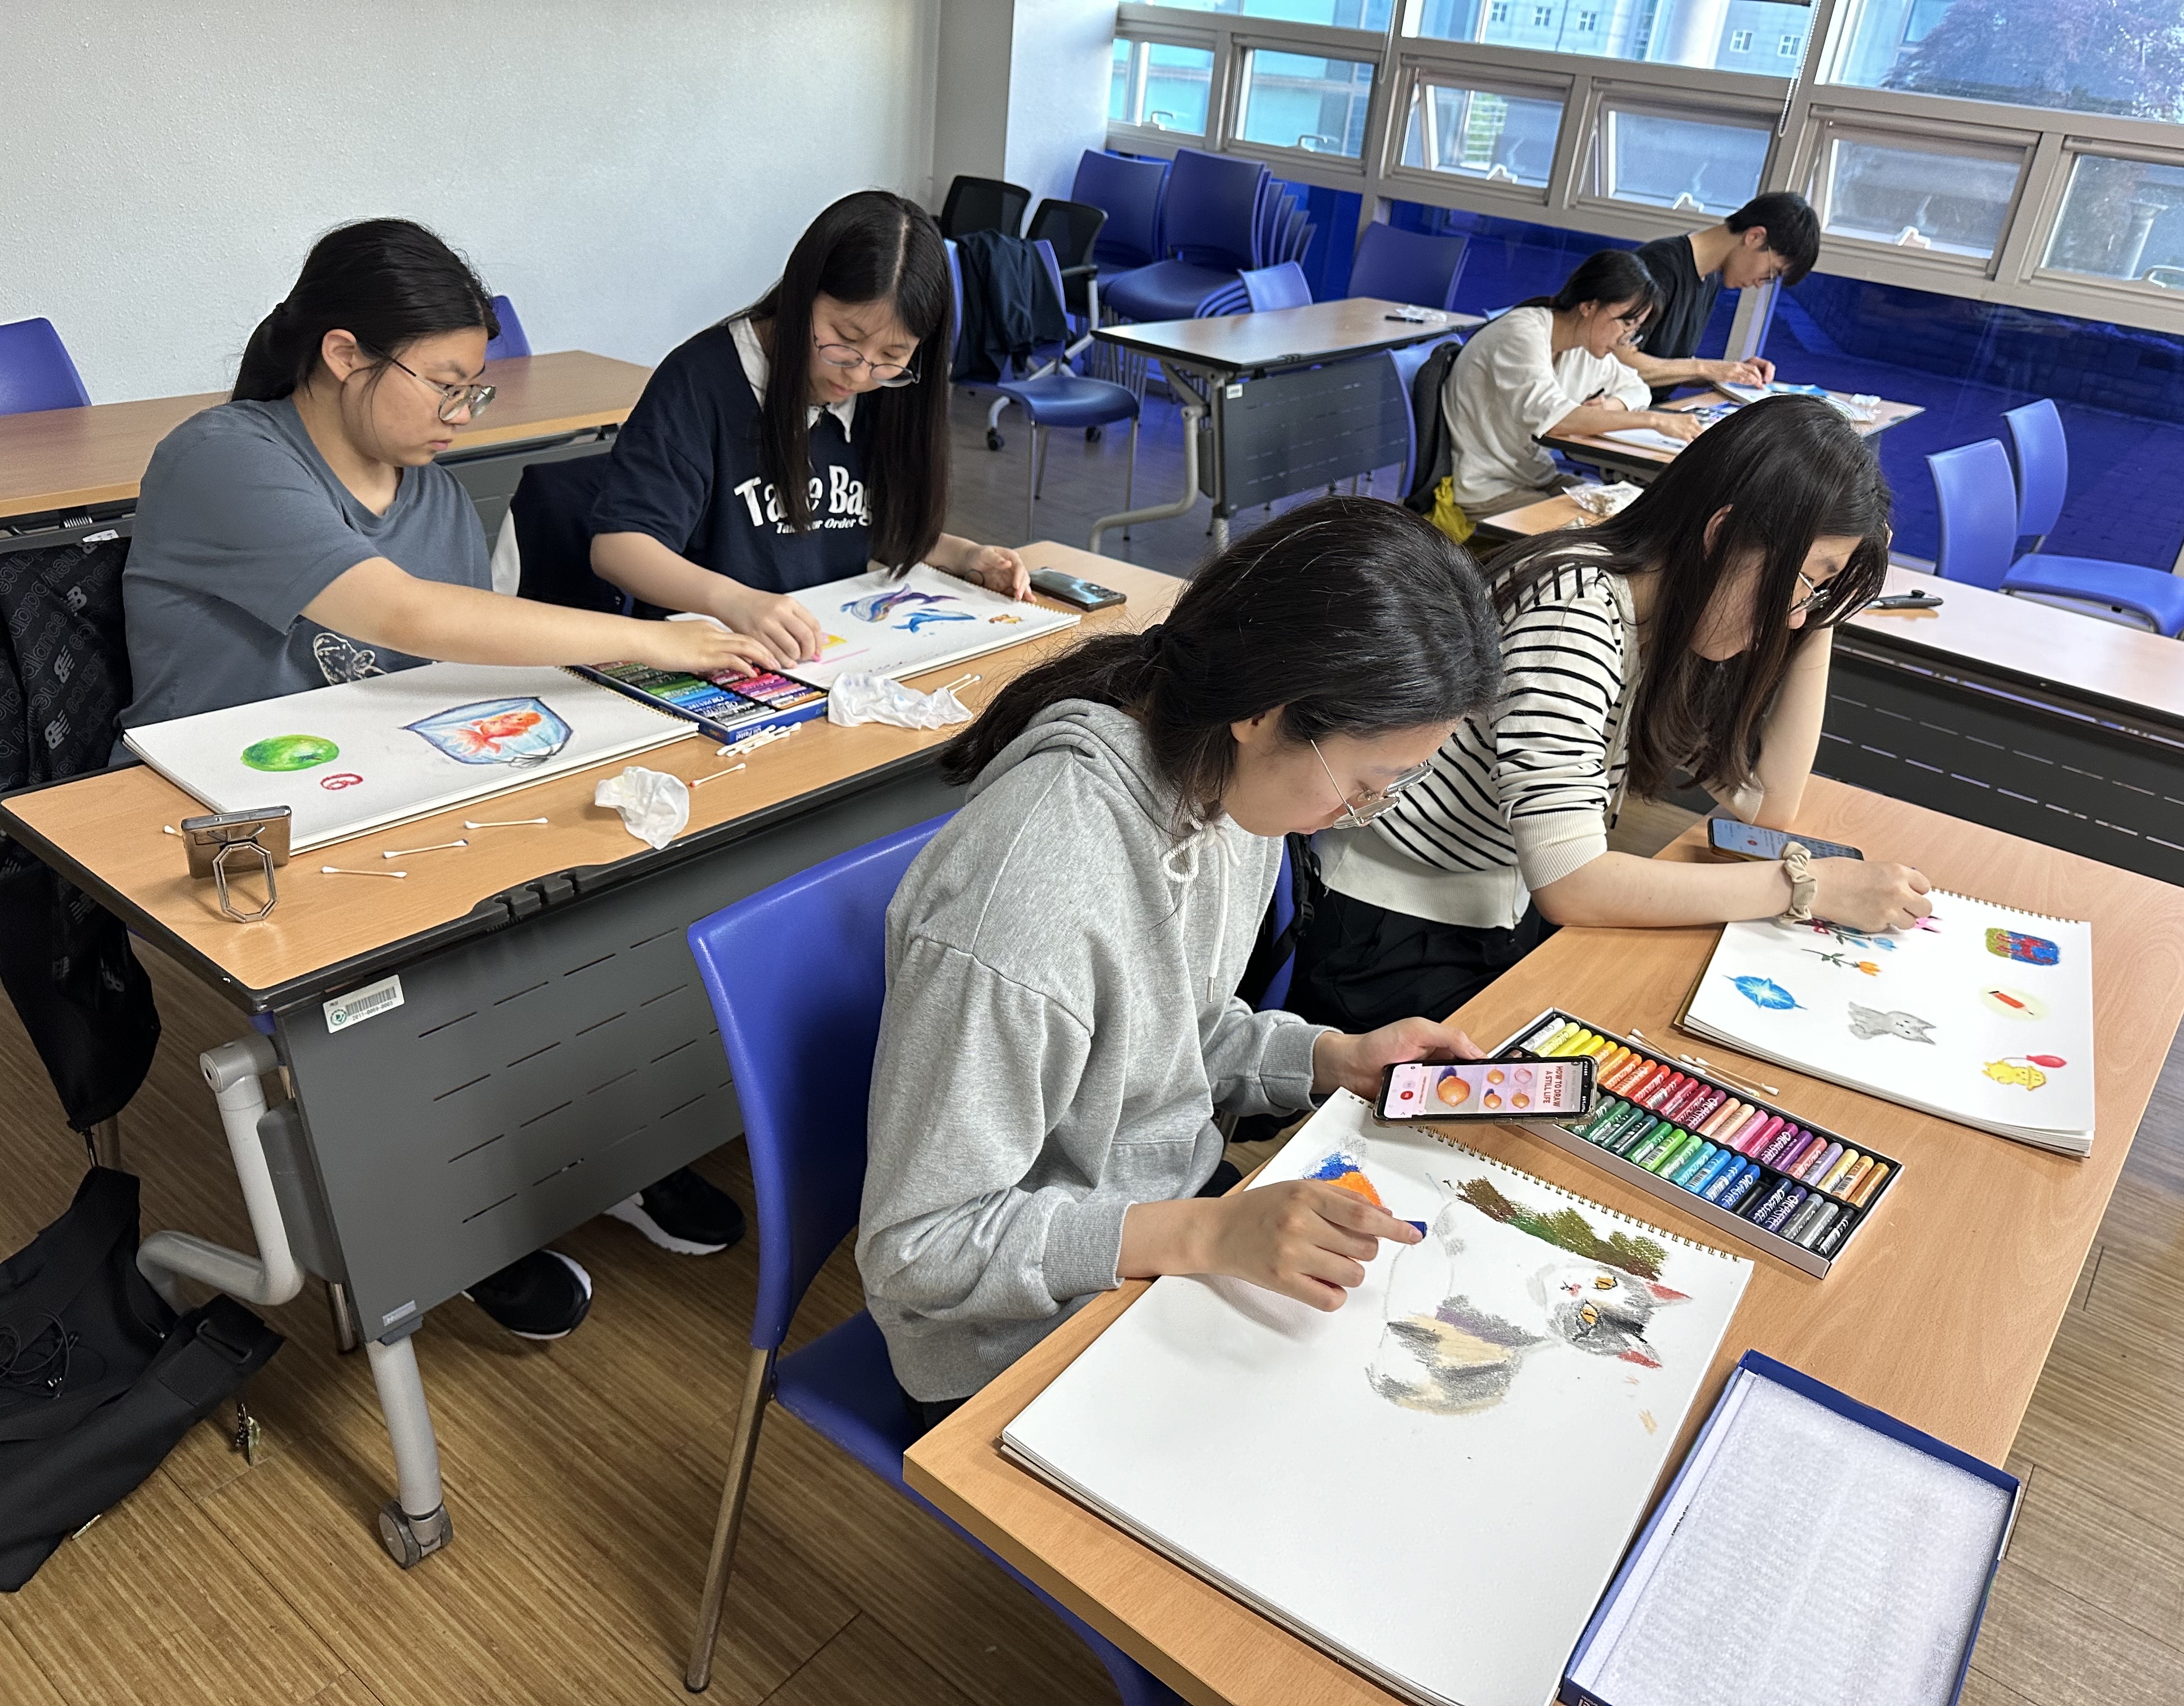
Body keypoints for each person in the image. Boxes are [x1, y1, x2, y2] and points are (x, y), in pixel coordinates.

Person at [121, 218, 777, 1341]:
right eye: (446, 384)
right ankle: (453, 1224)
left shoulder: (420, 482)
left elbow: (458, 661)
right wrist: (657, 638)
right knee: (423, 974)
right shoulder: (222, 457)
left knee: (604, 889)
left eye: (477, 389)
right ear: (343, 354)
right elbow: (408, 614)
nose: (463, 414)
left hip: (383, 782)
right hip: (225, 820)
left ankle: (597, 1153)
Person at [858, 496, 1504, 1428]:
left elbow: (1165, 1034)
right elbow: (918, 1247)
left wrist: (1330, 1057)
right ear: (1264, 712)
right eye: (1363, 785)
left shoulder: (1227, 796)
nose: (1354, 814)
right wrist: (1203, 1233)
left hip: (1157, 1228)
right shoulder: (1032, 896)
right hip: (1009, 1335)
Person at [1288, 395, 1933, 1036]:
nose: (1792, 618)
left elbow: (1769, 806)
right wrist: (1805, 886)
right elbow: (1573, 883)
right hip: (1388, 934)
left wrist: (1819, 613)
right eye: (1806, 580)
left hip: (1494, 905)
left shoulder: (1666, 614)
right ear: (1722, 535)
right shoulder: (1572, 612)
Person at [590, 190, 1027, 667]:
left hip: (830, 654)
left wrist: (962, 555)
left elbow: (853, 526)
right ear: (803, 296)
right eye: (845, 338)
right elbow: (619, 549)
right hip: (715, 656)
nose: (858, 374)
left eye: (892, 356)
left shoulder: (890, 393)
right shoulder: (701, 381)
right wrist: (734, 600)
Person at [1442, 249, 1704, 522]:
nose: (1626, 338)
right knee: (1600, 533)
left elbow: (1637, 388)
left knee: (1636, 517)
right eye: (1626, 323)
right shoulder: (1521, 334)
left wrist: (1611, 407)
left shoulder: (1583, 345)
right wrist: (1654, 421)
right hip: (1488, 489)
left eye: (1635, 329)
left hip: (1537, 476)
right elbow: (1558, 422)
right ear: (1589, 306)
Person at [1619, 191, 1821, 392]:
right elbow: (1618, 362)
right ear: (1755, 237)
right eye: (1771, 273)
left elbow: (1667, 363)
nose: (1761, 284)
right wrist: (1706, 368)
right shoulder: (1658, 266)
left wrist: (1733, 372)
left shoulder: (1709, 279)